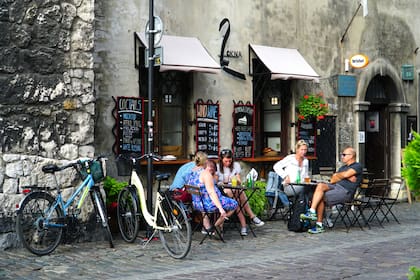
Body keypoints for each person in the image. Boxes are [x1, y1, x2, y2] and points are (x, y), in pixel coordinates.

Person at [300, 146, 363, 234]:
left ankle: (319, 225)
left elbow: (343, 175)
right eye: (342, 155)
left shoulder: (357, 166)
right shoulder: (343, 168)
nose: (342, 157)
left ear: (351, 156)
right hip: (335, 186)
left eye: (344, 155)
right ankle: (312, 211)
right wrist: (344, 175)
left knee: (320, 197)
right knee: (321, 185)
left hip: (345, 191)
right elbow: (333, 178)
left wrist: (341, 176)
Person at [216, 149, 265, 236]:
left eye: (230, 161)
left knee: (238, 197)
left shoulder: (235, 166)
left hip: (234, 190)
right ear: (221, 160)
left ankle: (246, 224)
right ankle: (250, 219)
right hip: (223, 191)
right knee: (237, 199)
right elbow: (216, 183)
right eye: (226, 161)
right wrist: (224, 182)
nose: (228, 163)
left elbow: (239, 181)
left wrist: (235, 179)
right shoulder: (218, 168)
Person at [186, 151, 237, 234]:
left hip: (197, 203)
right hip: (208, 204)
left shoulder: (191, 172)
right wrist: (221, 209)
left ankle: (207, 227)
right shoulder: (205, 174)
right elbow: (211, 192)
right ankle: (216, 226)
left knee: (223, 200)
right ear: (205, 161)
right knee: (234, 204)